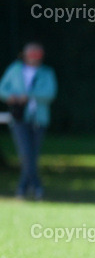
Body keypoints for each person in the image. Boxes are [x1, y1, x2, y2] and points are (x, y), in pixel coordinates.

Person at [0, 42, 57, 200]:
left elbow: (50, 93)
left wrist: (30, 96)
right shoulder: (15, 70)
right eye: (31, 55)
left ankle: (23, 189)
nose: (34, 58)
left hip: (39, 119)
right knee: (26, 154)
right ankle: (36, 187)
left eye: (37, 55)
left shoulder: (46, 73)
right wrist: (12, 96)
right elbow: (2, 89)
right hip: (19, 118)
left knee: (32, 155)